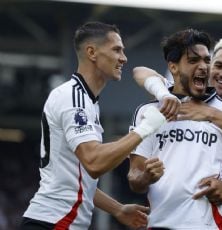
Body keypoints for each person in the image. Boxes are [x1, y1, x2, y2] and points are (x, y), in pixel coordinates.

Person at [21, 22, 166, 230]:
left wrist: (117, 209)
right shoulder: (74, 98)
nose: (124, 58)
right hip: (54, 222)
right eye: (117, 50)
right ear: (92, 52)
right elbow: (94, 163)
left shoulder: (85, 101)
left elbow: (76, 179)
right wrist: (144, 129)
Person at [127, 29, 222, 230]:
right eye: (193, 60)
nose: (203, 67)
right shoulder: (148, 111)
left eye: (207, 60)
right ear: (173, 67)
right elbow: (135, 179)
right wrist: (145, 176)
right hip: (159, 224)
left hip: (210, 225)